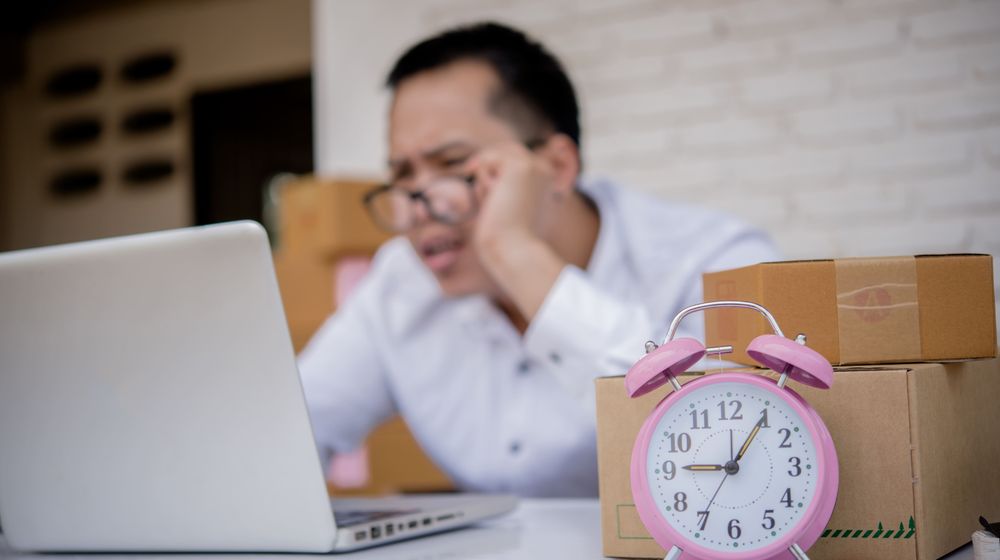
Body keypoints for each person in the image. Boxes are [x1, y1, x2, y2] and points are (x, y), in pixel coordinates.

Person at [297, 22, 779, 497]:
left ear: (556, 167)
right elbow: (290, 430)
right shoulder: (400, 282)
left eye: (453, 165)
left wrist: (516, 254)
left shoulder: (717, 264)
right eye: (402, 175)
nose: (418, 210)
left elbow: (746, 448)